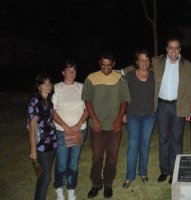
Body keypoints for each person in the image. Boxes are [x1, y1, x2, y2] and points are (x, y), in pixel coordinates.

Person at [82, 53, 130, 199]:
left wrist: (118, 119)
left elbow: (124, 101)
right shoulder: (91, 78)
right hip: (97, 125)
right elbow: (88, 101)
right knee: (96, 156)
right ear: (99, 63)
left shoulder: (120, 79)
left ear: (113, 63)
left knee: (112, 156)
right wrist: (94, 119)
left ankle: (108, 183)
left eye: (109, 65)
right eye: (103, 65)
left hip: (114, 125)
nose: (106, 68)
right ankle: (96, 184)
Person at [155, 37, 191, 184]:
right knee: (163, 139)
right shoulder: (157, 62)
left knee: (176, 139)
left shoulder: (187, 65)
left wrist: (189, 92)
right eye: (170, 47)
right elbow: (139, 67)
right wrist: (122, 72)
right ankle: (164, 170)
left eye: (176, 48)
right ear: (166, 49)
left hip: (178, 106)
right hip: (161, 106)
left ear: (180, 50)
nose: (173, 51)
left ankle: (175, 171)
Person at [52, 60, 88, 200]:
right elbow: (52, 111)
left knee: (74, 162)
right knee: (61, 162)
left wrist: (79, 124)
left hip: (80, 130)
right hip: (62, 131)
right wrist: (66, 127)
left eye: (74, 70)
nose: (71, 73)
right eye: (68, 70)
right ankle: (59, 188)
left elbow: (88, 109)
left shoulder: (82, 87)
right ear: (63, 72)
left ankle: (71, 189)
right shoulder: (56, 88)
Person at [122, 50, 156, 189]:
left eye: (147, 60)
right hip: (133, 115)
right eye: (141, 60)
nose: (144, 62)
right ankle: (129, 176)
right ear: (136, 61)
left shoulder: (154, 75)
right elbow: (122, 95)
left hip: (149, 115)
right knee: (133, 145)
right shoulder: (129, 76)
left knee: (145, 144)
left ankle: (143, 172)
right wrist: (123, 113)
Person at [27, 73, 57, 200]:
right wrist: (33, 150)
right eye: (44, 83)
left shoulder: (49, 101)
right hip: (41, 145)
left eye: (49, 83)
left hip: (53, 142)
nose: (48, 86)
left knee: (44, 175)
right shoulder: (34, 102)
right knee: (45, 177)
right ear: (39, 86)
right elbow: (31, 128)